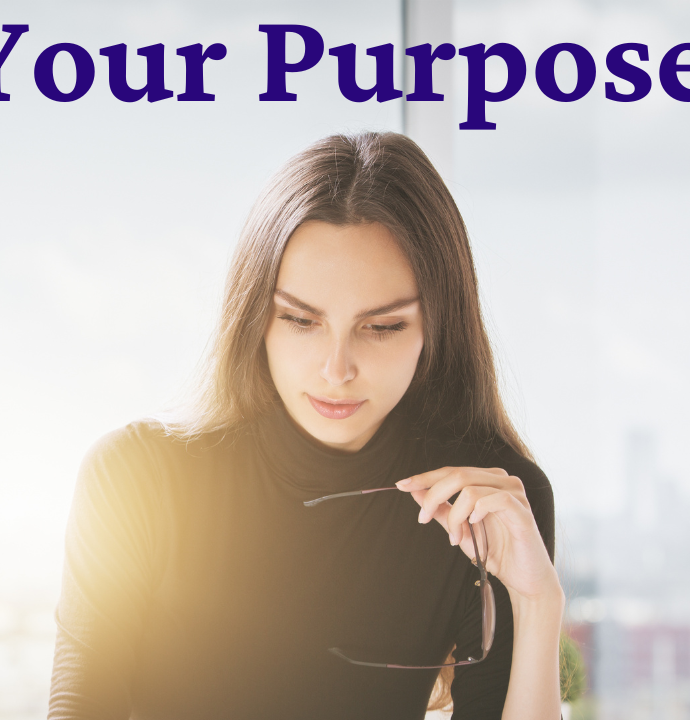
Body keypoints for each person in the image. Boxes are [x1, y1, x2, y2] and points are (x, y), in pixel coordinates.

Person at [49, 132, 562, 719]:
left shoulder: (488, 501)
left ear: (437, 326)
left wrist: (537, 603)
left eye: (383, 327)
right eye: (300, 320)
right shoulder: (135, 478)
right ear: (255, 319)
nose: (336, 370)